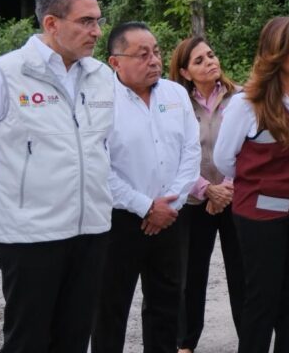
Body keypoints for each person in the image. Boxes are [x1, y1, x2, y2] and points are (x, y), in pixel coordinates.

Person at [0, 0, 113, 353]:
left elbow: (107, 147)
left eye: (98, 20)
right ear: (52, 24)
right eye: (86, 21)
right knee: (28, 341)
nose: (96, 31)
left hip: (91, 231)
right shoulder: (5, 75)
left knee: (74, 339)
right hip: (30, 236)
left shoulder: (101, 76)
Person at [214, 16, 289, 353]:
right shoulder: (247, 102)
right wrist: (260, 182)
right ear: (275, 54)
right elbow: (224, 160)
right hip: (260, 218)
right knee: (262, 297)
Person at [92, 22, 200, 353]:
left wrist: (170, 205)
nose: (154, 60)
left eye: (156, 51)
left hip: (170, 217)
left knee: (166, 305)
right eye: (142, 55)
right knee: (110, 307)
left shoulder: (176, 94)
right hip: (120, 220)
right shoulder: (100, 101)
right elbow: (99, 166)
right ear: (115, 62)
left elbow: (191, 152)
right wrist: (145, 206)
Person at [169, 37, 244, 353]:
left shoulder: (240, 97)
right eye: (199, 60)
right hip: (194, 199)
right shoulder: (176, 104)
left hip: (235, 197)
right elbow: (174, 154)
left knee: (242, 272)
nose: (210, 62)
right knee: (190, 274)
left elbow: (249, 146)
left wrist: (226, 187)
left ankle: (250, 340)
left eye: (211, 55)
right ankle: (185, 343)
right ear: (185, 72)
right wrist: (206, 189)